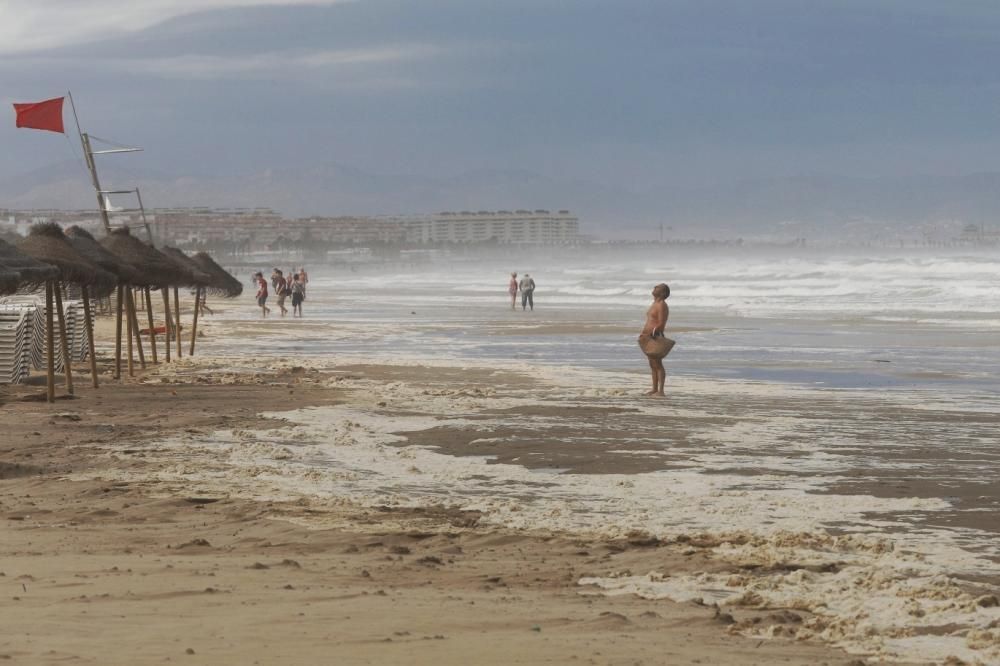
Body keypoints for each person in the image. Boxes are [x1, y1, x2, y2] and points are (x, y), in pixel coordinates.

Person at [638, 283, 670, 396]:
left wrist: (653, 333)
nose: (654, 288)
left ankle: (661, 391)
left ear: (662, 293)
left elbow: (661, 323)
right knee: (652, 363)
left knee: (658, 363)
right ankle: (654, 389)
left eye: (657, 287)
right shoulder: (654, 303)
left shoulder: (662, 305)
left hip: (655, 335)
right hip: (647, 335)